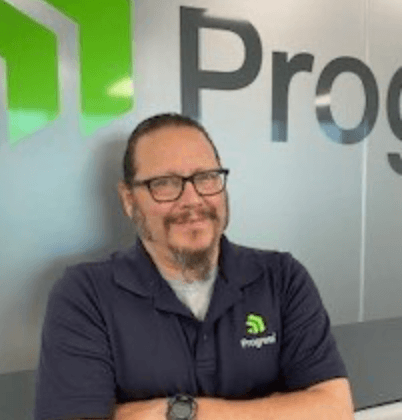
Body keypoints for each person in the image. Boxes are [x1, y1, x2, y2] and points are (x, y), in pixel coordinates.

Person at [34, 113, 355, 420]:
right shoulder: (85, 295)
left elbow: (335, 412)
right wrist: (276, 410)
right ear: (129, 199)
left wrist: (174, 412)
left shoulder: (282, 278)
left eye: (206, 177)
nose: (192, 199)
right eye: (165, 183)